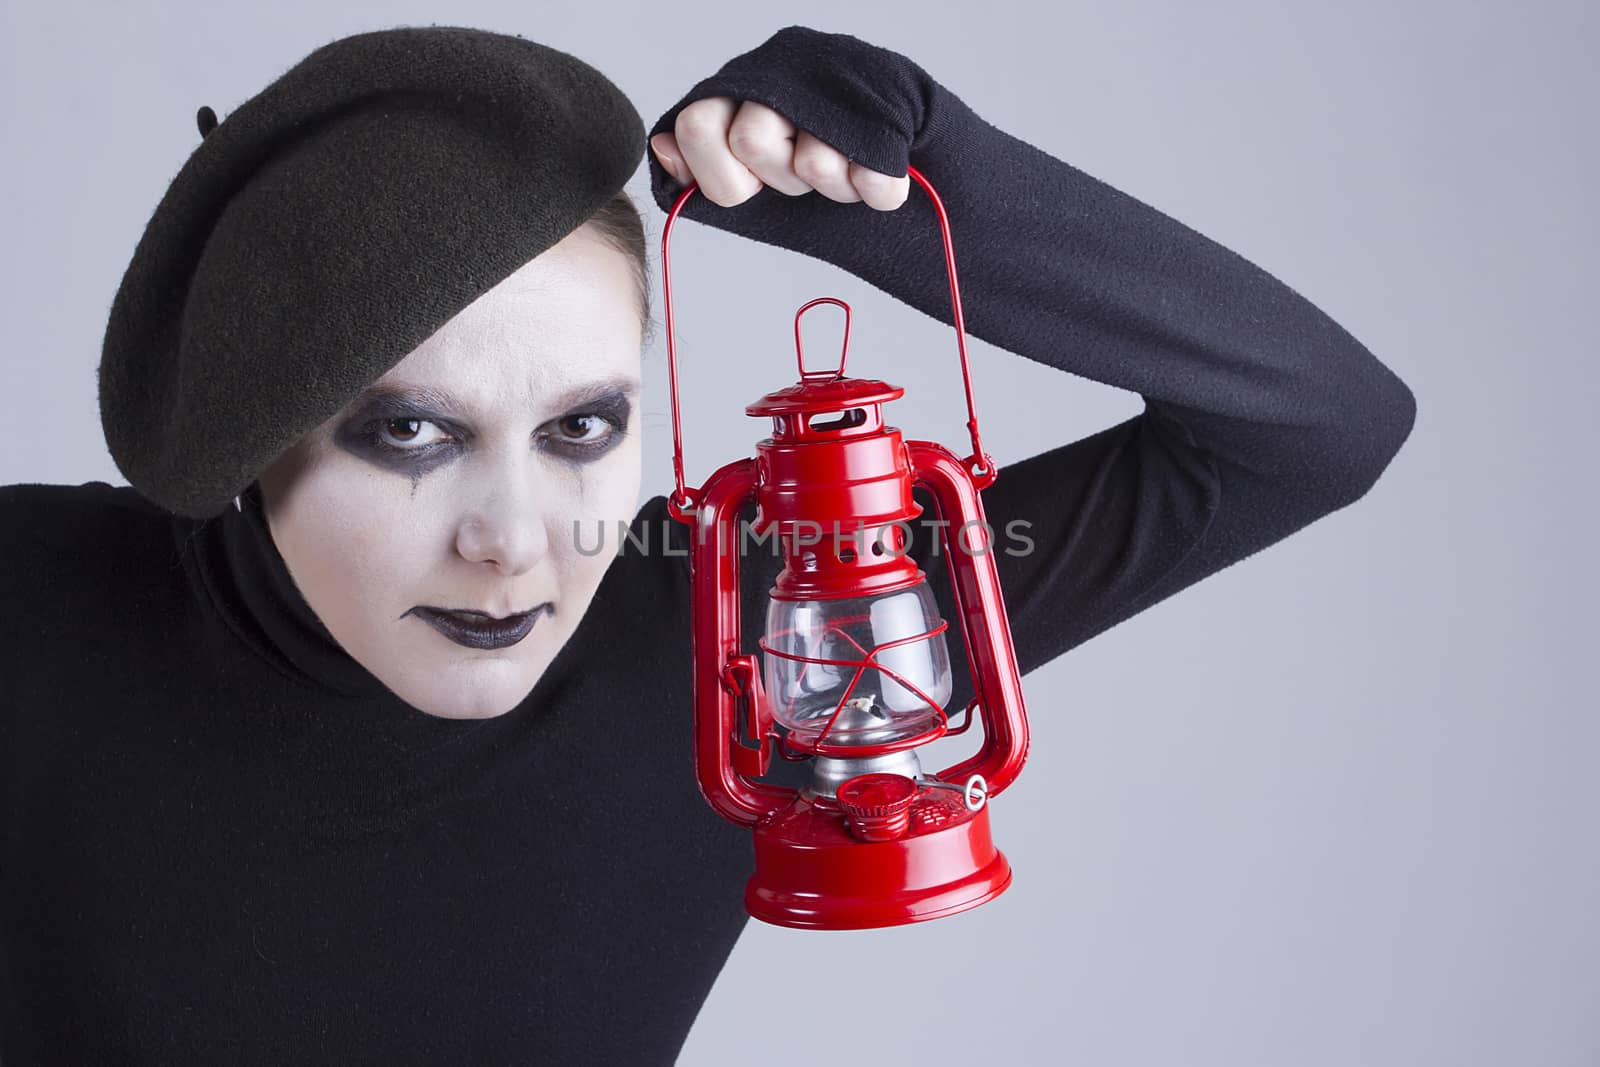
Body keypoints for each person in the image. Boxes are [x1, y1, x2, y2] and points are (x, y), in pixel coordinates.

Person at [0, 23, 1416, 1065]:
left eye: (582, 428)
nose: (515, 547)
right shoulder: (38, 611)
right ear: (259, 422)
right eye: (410, 435)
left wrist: (923, 197)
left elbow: (1319, 423)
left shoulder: (749, 640)